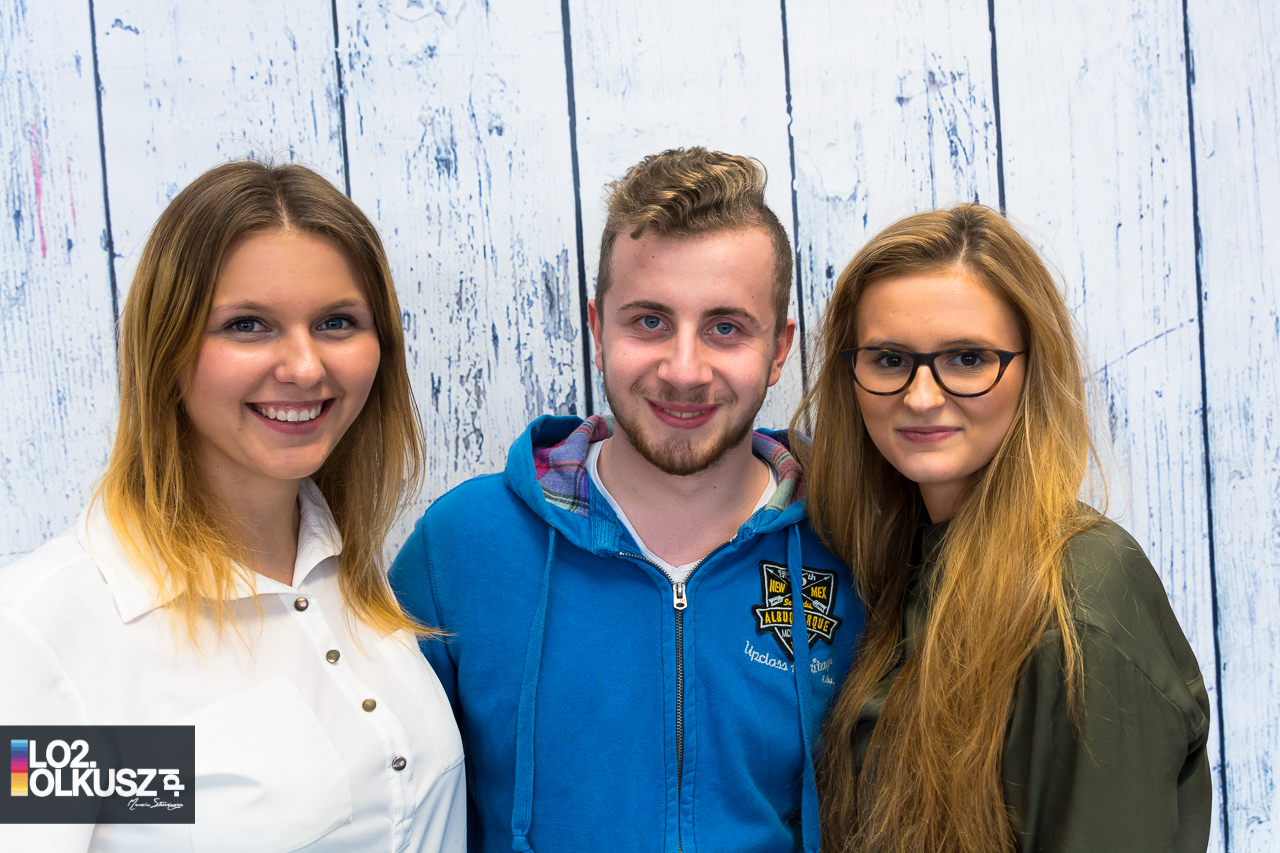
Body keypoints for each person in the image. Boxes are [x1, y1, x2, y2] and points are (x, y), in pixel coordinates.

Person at [389, 147, 864, 853]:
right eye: (649, 321)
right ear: (597, 329)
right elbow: (389, 803)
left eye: (726, 328)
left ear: (778, 349)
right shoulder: (462, 546)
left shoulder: (853, 541)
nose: (684, 370)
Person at [0, 161, 465, 852]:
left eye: (337, 322)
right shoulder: (50, 633)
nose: (305, 366)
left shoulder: (352, 581)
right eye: (248, 325)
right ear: (167, 346)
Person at [799, 204, 1211, 853]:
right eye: (889, 359)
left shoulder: (1078, 594)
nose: (921, 397)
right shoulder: (900, 567)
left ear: (1031, 368)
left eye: (967, 358)